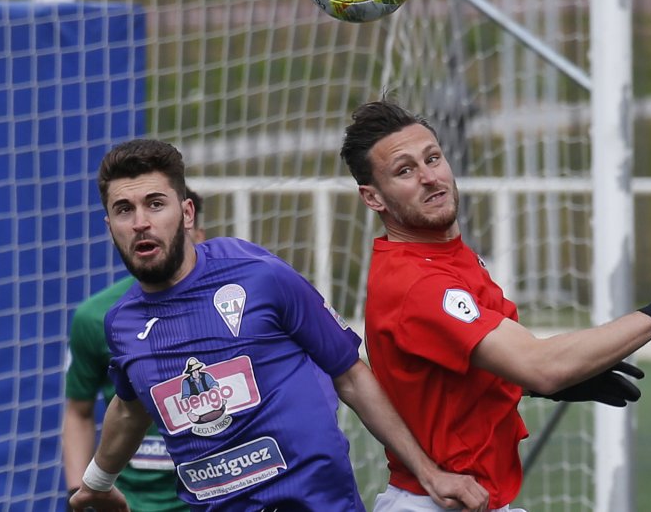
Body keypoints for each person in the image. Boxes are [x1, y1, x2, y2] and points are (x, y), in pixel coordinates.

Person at [69, 138, 488, 512]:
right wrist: (97, 483)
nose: (140, 221)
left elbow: (351, 376)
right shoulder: (121, 324)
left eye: (155, 204)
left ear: (187, 212)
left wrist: (429, 473)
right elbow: (129, 409)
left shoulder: (259, 275)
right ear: (110, 225)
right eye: (124, 210)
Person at [339, 100, 651, 511]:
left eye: (433, 158)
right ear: (373, 198)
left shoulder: (449, 256)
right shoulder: (419, 283)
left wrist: (530, 385)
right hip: (433, 502)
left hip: (472, 498)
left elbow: (500, 362)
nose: (430, 177)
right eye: (405, 171)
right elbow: (542, 365)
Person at [62, 188, 206, 512]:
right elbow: (78, 412)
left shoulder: (233, 307)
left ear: (195, 229)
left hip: (215, 496)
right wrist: (80, 493)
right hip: (131, 502)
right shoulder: (98, 316)